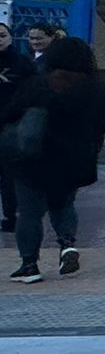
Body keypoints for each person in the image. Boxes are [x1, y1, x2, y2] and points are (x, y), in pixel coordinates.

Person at [2, 36, 105, 283]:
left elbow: (11, 113)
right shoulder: (98, 88)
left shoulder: (39, 84)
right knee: (63, 204)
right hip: (75, 159)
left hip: (32, 158)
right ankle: (67, 244)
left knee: (29, 212)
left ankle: (29, 265)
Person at [0, 22, 28, 233]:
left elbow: (32, 92)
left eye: (2, 35)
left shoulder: (22, 63)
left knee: (9, 175)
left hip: (11, 125)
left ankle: (11, 215)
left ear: (10, 37)